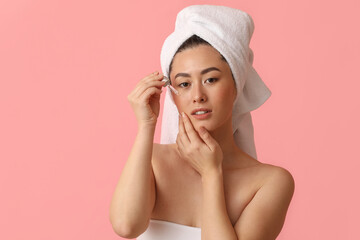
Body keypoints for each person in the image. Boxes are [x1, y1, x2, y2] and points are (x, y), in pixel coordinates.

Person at [109, 5, 295, 240]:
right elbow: (126, 226)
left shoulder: (270, 182)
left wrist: (211, 173)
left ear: (237, 85)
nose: (198, 95)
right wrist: (146, 126)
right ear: (172, 95)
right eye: (184, 84)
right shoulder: (153, 161)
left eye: (211, 79)